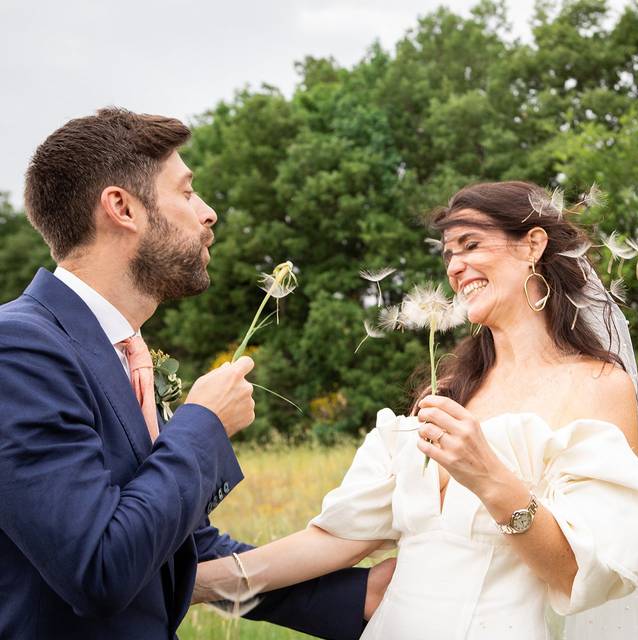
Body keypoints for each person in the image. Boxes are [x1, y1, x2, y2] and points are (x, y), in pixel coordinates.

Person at [195, 181, 638, 639]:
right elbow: (333, 543)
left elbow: (574, 575)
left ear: (532, 246)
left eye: (471, 245)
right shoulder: (446, 394)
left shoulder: (597, 387)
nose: (455, 267)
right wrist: (184, 586)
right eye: (448, 255)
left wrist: (490, 478)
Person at [0, 108, 393, 640]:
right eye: (186, 192)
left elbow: (173, 545)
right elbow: (98, 568)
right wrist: (202, 423)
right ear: (121, 207)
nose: (208, 213)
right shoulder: (18, 348)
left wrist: (355, 597)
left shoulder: (124, 355)